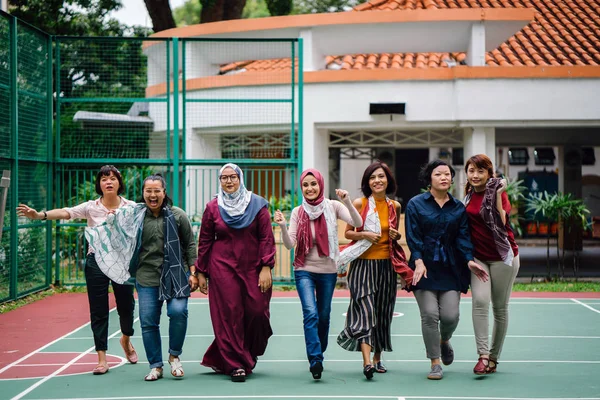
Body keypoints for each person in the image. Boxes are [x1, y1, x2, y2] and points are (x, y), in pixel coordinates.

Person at [16, 165, 138, 375]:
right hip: (96, 263)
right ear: (99, 184)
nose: (108, 182)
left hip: (121, 263)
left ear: (119, 183)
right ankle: (102, 358)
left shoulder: (131, 207)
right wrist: (40, 215)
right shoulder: (91, 207)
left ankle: (126, 339)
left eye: (112, 178)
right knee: (98, 310)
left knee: (126, 306)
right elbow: (67, 212)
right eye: (103, 179)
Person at [274, 169, 362, 380]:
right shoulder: (297, 211)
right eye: (305, 185)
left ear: (320, 185)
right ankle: (315, 359)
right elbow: (289, 245)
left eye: (313, 184)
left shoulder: (332, 206)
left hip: (328, 271)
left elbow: (357, 223)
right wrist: (283, 227)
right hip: (304, 269)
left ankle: (319, 350)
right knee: (311, 313)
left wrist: (348, 201)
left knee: (323, 316)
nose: (310, 188)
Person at [405, 160, 488, 380]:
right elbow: (413, 236)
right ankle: (435, 362)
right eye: (438, 174)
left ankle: (444, 340)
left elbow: (463, 237)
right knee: (430, 314)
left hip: (451, 268)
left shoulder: (458, 207)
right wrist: (418, 260)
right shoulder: (415, 204)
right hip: (424, 268)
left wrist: (469, 260)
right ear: (429, 179)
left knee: (450, 316)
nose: (444, 177)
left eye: (447, 174)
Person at [196, 163, 276, 382]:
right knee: (229, 315)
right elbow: (204, 240)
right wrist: (201, 271)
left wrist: (266, 266)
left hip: (253, 267)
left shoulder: (258, 205)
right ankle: (235, 364)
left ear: (241, 178)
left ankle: (247, 352)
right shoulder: (213, 207)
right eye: (224, 178)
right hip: (222, 267)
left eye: (233, 177)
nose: (229, 181)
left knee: (257, 311)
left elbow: (266, 238)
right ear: (220, 181)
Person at [336, 161, 412, 380]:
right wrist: (364, 234)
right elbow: (348, 234)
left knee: (382, 312)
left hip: (387, 266)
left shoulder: (395, 206)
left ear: (388, 180)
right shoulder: (360, 203)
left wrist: (397, 236)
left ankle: (378, 359)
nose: (377, 181)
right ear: (367, 183)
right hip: (362, 265)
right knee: (366, 310)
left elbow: (393, 238)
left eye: (381, 176)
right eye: (372, 178)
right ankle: (367, 363)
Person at [135, 174, 198, 381]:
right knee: (148, 322)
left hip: (176, 274)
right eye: (148, 191)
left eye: (157, 191)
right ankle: (155, 365)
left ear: (164, 192)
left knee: (179, 312)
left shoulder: (177, 215)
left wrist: (193, 272)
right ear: (143, 193)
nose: (152, 195)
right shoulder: (135, 216)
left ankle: (174, 356)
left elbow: (189, 244)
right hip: (146, 276)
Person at [464, 154, 520, 375]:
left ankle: (494, 358)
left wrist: (497, 195)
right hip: (479, 258)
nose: (475, 175)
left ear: (489, 173)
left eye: (480, 171)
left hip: (503, 257)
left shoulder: (499, 192)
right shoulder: (468, 196)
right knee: (479, 301)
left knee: (499, 308)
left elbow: (502, 221)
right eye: (471, 171)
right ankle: (483, 356)